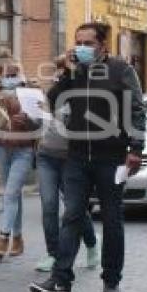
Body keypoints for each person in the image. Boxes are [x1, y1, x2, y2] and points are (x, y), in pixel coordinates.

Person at [29, 22, 145, 292]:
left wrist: (136, 147)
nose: (81, 48)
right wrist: (64, 74)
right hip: (77, 156)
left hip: (111, 156)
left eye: (88, 43)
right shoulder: (75, 72)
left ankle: (111, 280)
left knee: (112, 219)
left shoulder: (121, 70)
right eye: (77, 42)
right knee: (71, 215)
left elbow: (137, 110)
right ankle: (61, 280)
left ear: (103, 46)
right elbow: (54, 100)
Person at [35, 84, 98, 273]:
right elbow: (37, 127)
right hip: (46, 156)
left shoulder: (78, 101)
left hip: (69, 160)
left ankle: (92, 243)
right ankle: (53, 254)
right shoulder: (49, 99)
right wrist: (33, 116)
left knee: (74, 208)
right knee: (49, 205)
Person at [0, 51, 40, 260]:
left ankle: (3, 236)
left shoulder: (32, 93)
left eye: (16, 72)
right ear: (1, 74)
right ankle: (18, 237)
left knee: (9, 193)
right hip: (0, 147)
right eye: (8, 73)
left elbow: (41, 123)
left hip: (23, 149)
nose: (12, 76)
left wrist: (29, 119)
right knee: (14, 195)